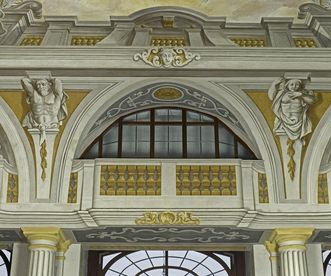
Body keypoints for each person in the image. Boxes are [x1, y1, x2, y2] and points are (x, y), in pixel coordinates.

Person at [21, 77, 68, 143]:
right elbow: (24, 81)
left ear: (49, 85)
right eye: (38, 85)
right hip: (36, 124)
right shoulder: (34, 94)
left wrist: (49, 77)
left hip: (52, 123)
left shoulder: (55, 95)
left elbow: (57, 81)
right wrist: (34, 81)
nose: (40, 86)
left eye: (43, 84)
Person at [268, 77, 315, 141]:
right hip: (284, 120)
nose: (294, 86)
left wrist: (301, 95)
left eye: (297, 85)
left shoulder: (302, 94)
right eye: (292, 84)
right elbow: (271, 97)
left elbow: (311, 101)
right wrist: (274, 84)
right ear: (287, 85)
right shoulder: (282, 93)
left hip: (298, 122)